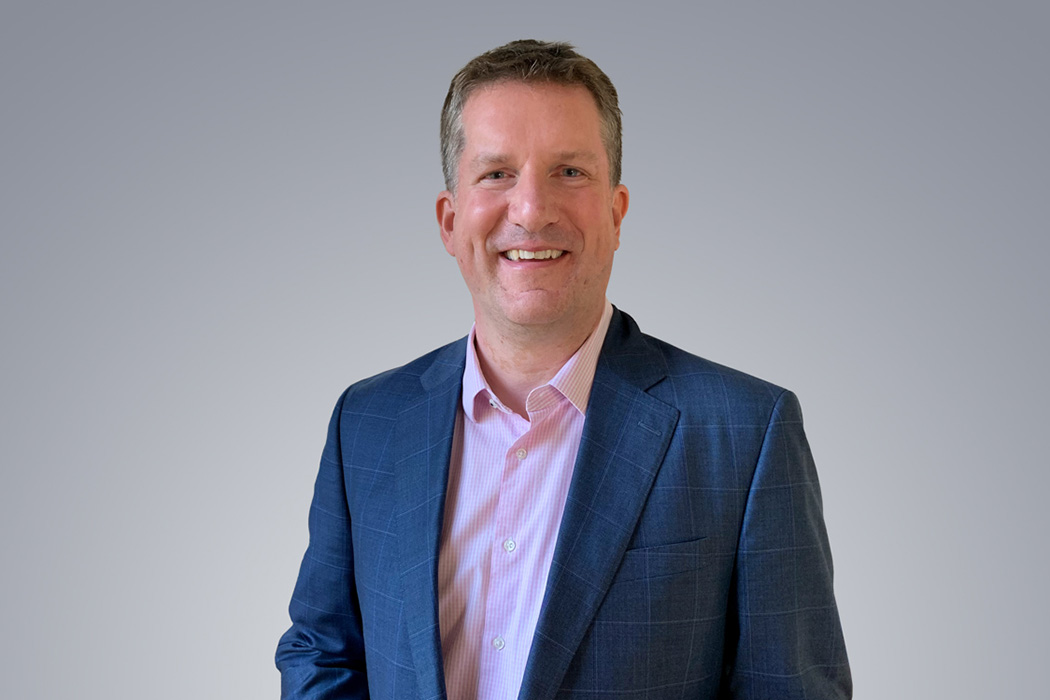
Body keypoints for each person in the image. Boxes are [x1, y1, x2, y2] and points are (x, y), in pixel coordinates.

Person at [276, 39, 851, 700]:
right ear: (450, 218)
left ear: (615, 211)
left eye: (569, 173)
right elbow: (323, 651)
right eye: (496, 173)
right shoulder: (367, 422)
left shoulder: (745, 433)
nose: (531, 209)